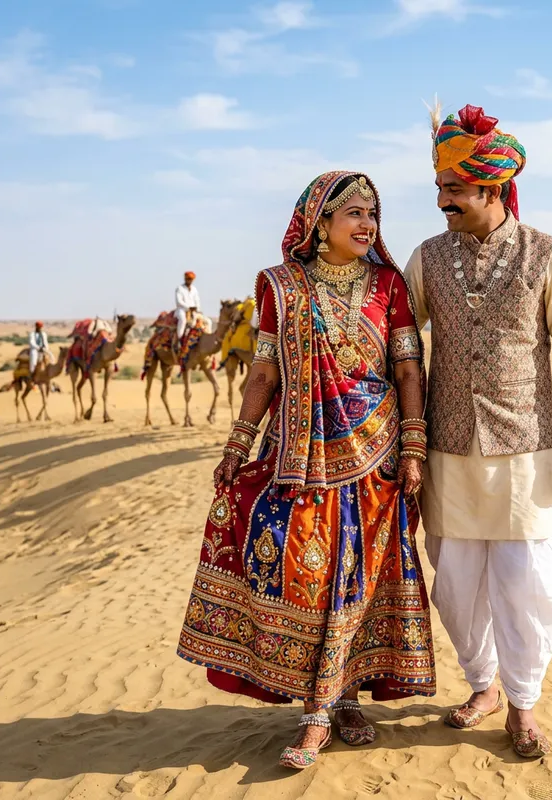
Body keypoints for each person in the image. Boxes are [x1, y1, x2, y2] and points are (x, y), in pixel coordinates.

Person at [177, 171, 436, 770]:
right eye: (353, 213)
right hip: (299, 458)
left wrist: (415, 449)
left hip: (377, 456)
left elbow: (407, 372)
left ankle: (331, 707)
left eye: (373, 212)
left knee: (358, 583)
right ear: (319, 223)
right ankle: (324, 701)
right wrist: (238, 445)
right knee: (309, 577)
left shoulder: (390, 285)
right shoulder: (279, 287)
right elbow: (264, 374)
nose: (368, 223)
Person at [404, 104, 552, 758]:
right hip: (448, 452)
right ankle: (482, 683)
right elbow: (397, 345)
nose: (442, 201)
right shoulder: (427, 260)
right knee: (455, 588)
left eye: (453, 190)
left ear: (490, 187)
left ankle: (522, 702)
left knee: (528, 584)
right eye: (439, 189)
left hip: (530, 453)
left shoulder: (548, 255)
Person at [175, 271, 201, 349]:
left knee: (201, 322)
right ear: (185, 279)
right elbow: (179, 301)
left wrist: (197, 308)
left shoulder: (194, 289)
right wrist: (188, 308)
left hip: (193, 310)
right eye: (188, 279)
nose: (189, 280)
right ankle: (179, 340)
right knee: (183, 321)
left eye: (191, 279)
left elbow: (197, 300)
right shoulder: (180, 288)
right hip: (182, 310)